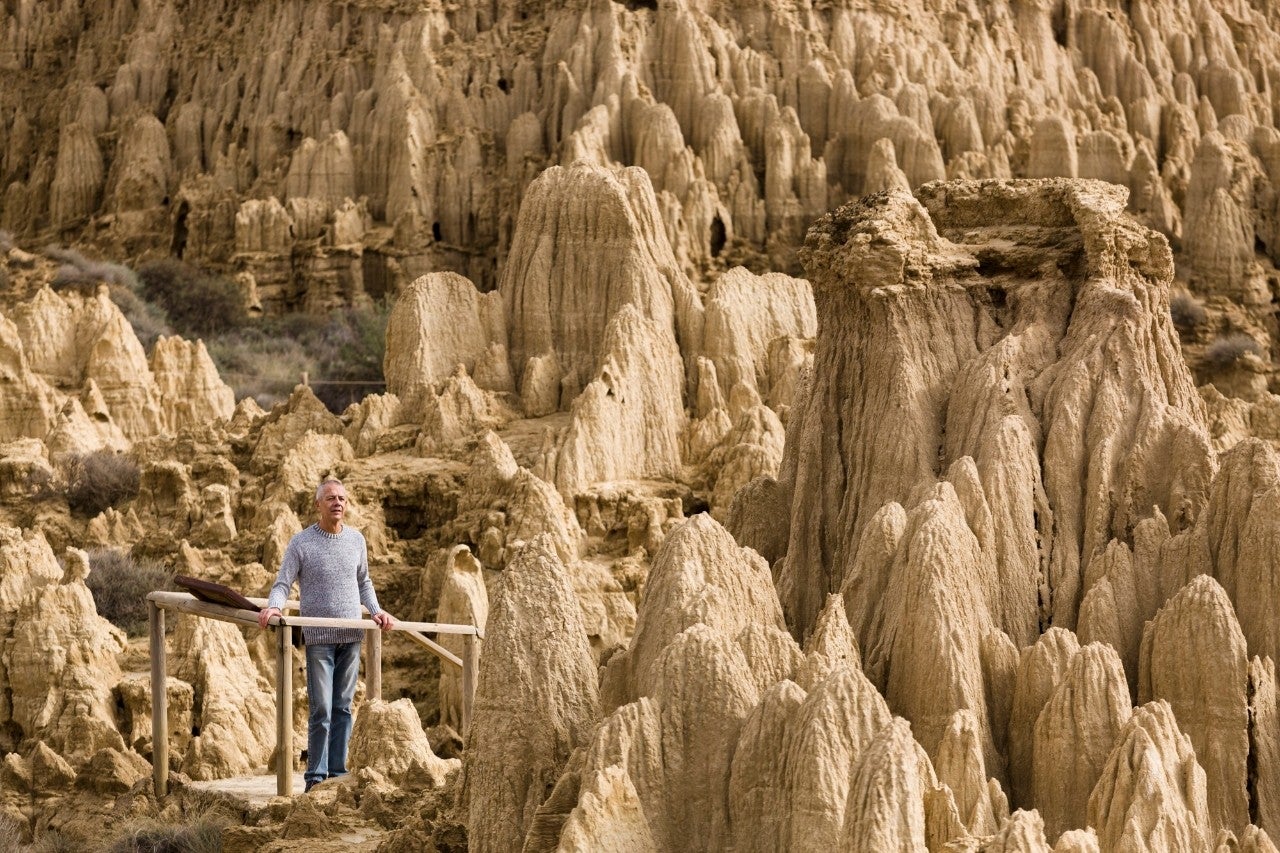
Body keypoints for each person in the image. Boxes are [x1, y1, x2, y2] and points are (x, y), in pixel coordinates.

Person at [258, 478, 395, 792]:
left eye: (343, 499)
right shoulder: (302, 543)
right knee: (321, 708)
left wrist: (376, 610)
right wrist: (274, 608)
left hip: (352, 635)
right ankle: (315, 779)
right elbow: (283, 583)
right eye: (331, 498)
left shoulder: (356, 540)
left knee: (343, 707)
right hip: (319, 636)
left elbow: (364, 583)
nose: (338, 503)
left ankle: (337, 773)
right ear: (318, 504)